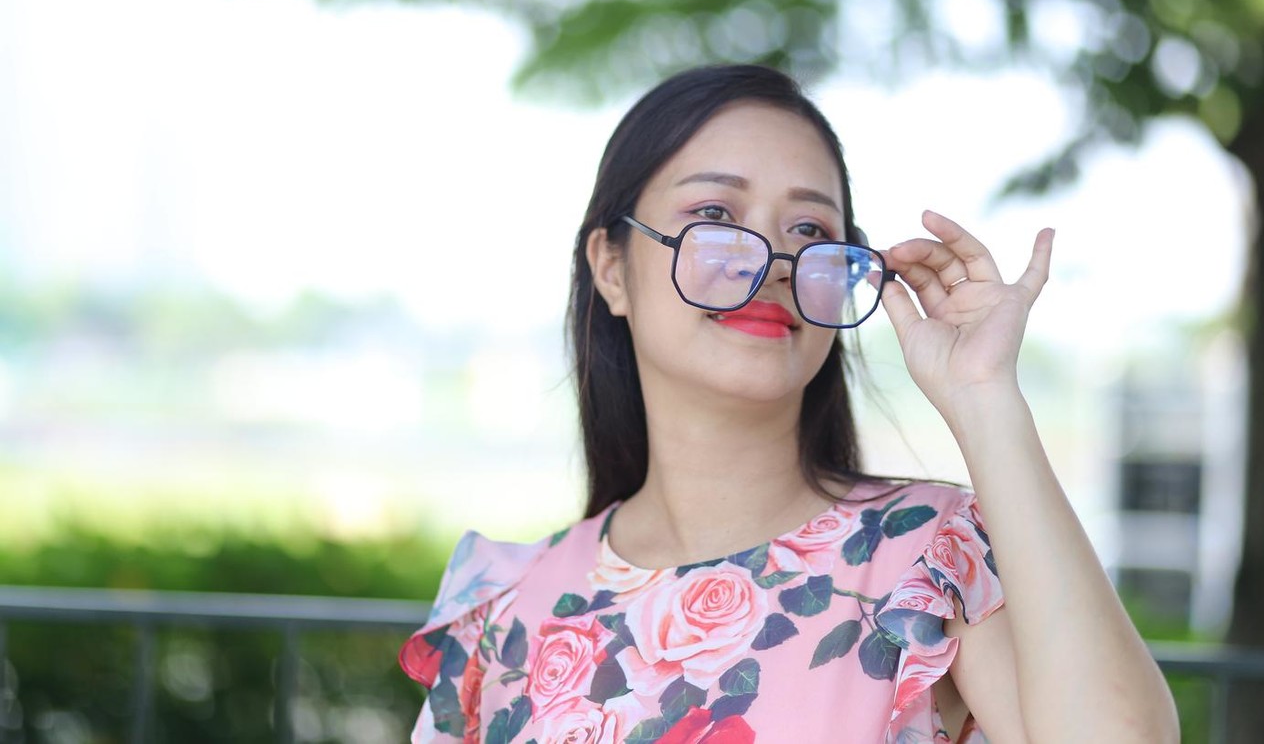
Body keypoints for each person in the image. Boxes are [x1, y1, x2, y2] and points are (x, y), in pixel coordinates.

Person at [399, 64, 1179, 742]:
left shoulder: (931, 555)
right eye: (715, 216)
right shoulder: (504, 607)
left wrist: (985, 397)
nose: (774, 261)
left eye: (809, 228)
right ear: (610, 266)